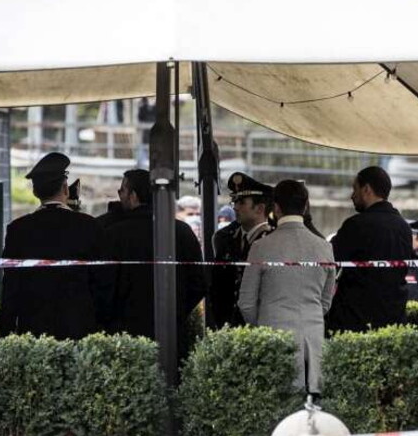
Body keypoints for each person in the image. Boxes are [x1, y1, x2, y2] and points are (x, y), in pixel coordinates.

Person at [238, 180, 336, 397]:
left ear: (276, 208)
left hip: (273, 339)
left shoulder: (260, 247)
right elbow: (326, 300)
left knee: (276, 411)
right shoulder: (325, 247)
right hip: (313, 341)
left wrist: (264, 323)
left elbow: (245, 302)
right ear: (305, 206)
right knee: (313, 410)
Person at [99, 169, 206, 361]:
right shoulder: (181, 231)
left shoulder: (112, 235)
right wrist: (177, 309)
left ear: (133, 196)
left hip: (124, 336)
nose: (119, 196)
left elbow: (102, 286)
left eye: (122, 191)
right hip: (172, 333)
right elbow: (199, 282)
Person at [0, 152, 105, 340]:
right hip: (80, 329)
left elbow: (10, 287)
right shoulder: (90, 226)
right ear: (66, 188)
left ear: (35, 192)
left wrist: (5, 332)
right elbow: (101, 282)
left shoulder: (17, 230)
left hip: (33, 331)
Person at [326, 166, 414, 332]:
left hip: (354, 324)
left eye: (355, 189)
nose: (352, 195)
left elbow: (329, 262)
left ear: (366, 189)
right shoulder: (404, 227)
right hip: (393, 323)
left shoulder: (355, 226)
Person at [208, 172, 274, 328]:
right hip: (227, 327)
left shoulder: (272, 240)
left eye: (242, 202)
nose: (235, 207)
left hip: (260, 329)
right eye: (234, 201)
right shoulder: (224, 239)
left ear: (259, 208)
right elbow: (217, 286)